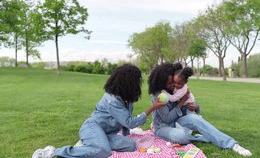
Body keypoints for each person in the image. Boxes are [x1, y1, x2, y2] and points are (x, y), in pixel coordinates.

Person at [32, 64, 166, 158]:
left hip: (107, 133)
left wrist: (126, 135)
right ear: (127, 83)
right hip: (92, 127)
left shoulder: (127, 98)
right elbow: (130, 122)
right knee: (103, 151)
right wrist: (152, 107)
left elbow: (126, 123)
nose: (138, 84)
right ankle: (55, 152)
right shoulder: (112, 100)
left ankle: (90, 144)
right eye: (136, 81)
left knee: (130, 145)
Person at [148, 62, 252, 157]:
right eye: (169, 83)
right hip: (162, 127)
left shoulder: (176, 88)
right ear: (161, 82)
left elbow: (194, 105)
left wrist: (196, 107)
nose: (172, 85)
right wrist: (181, 102)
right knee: (182, 136)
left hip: (178, 120)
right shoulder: (157, 95)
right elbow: (167, 119)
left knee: (195, 119)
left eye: (172, 82)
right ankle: (207, 137)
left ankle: (232, 144)